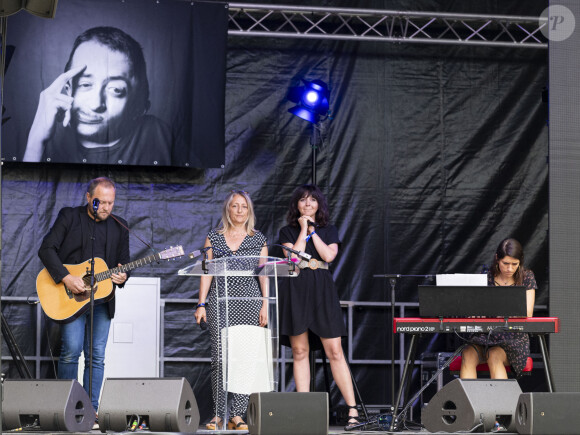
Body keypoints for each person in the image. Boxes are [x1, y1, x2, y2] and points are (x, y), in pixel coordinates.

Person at [38, 177, 130, 419]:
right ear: (88, 198)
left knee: (96, 355)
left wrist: (123, 275)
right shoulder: (69, 216)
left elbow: (123, 263)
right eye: (101, 202)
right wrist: (67, 278)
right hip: (70, 298)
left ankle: (91, 410)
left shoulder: (120, 226)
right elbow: (46, 249)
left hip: (102, 299)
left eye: (111, 203)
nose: (107, 208)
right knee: (71, 350)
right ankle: (69, 407)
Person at [23, 26, 172, 165]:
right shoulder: (47, 138)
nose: (95, 104)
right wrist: (35, 142)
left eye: (115, 90)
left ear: (138, 106)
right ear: (68, 89)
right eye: (85, 85)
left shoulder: (160, 135)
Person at [278, 184, 360, 431]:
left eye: (312, 200)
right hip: (296, 290)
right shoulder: (287, 231)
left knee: (335, 350)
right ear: (297, 205)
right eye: (303, 200)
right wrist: (303, 230)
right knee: (300, 351)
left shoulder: (329, 230)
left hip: (322, 290)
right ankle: (304, 409)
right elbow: (294, 258)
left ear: (319, 205)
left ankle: (353, 411)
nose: (307, 204)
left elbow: (328, 256)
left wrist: (313, 232)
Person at [194, 190, 268, 431]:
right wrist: (201, 303)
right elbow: (207, 272)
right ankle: (217, 414)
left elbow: (264, 274)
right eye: (234, 206)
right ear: (228, 209)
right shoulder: (213, 237)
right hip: (220, 299)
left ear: (249, 211)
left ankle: (236, 415)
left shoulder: (259, 239)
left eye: (243, 207)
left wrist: (265, 303)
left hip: (249, 300)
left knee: (244, 358)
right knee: (220, 357)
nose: (239, 210)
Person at [460, 238, 537, 380]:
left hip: (513, 339)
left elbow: (527, 313)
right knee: (468, 354)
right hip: (485, 337)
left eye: (515, 264)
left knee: (494, 355)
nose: (509, 269)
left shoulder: (527, 277)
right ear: (497, 259)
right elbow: (475, 309)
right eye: (505, 263)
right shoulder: (486, 277)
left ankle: (501, 402)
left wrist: (491, 312)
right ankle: (468, 402)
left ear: (520, 261)